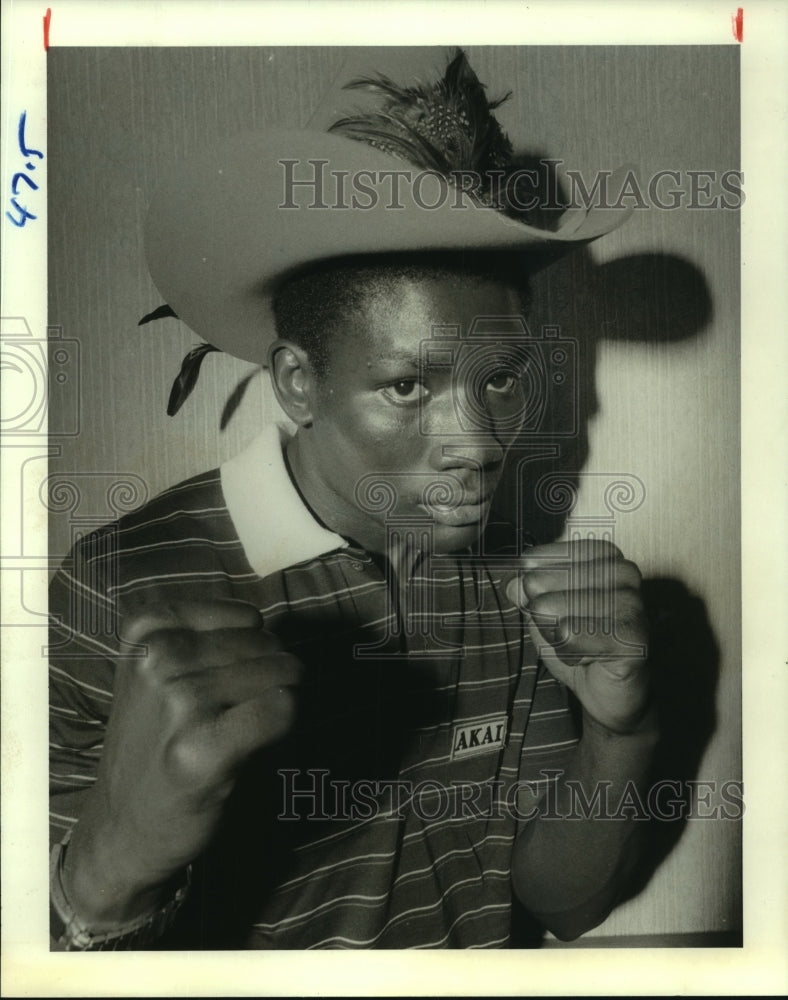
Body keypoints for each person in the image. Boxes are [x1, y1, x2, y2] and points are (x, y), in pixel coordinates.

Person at [49, 49, 656, 950]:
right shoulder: (120, 582)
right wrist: (113, 859)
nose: (480, 443)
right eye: (409, 386)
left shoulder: (516, 575)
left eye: (501, 381)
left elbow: (553, 903)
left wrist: (623, 729)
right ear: (298, 385)